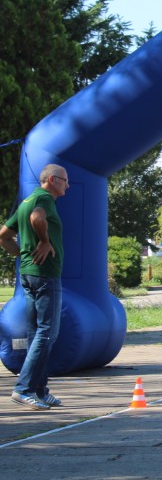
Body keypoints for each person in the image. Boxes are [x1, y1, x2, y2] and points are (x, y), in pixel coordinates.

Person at [0, 164, 70, 411]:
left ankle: (39, 390)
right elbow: (37, 218)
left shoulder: (26, 201)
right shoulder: (43, 198)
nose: (68, 185)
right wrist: (44, 241)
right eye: (65, 180)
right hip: (45, 274)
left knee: (35, 333)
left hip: (29, 274)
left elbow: (3, 236)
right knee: (47, 333)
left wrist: (22, 254)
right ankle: (24, 389)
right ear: (52, 180)